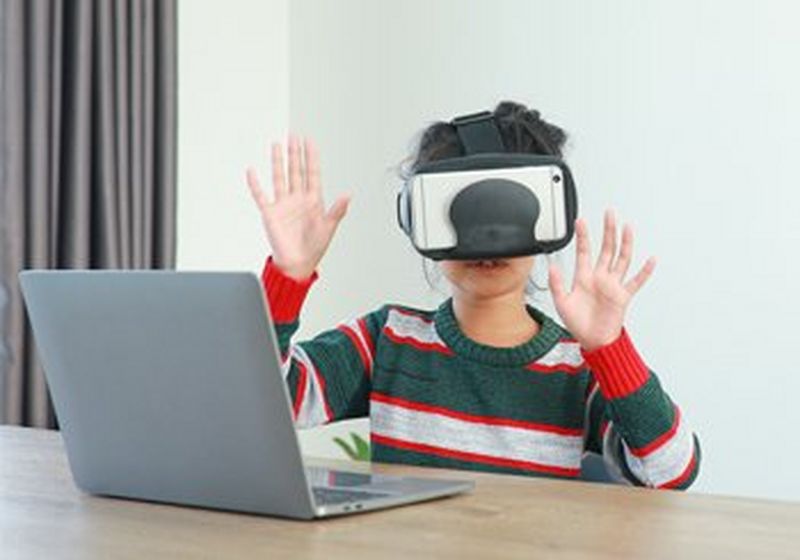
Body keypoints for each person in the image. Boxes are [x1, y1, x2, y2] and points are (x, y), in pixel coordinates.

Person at [245, 101, 700, 489]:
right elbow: (265, 402)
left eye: (508, 206)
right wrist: (289, 277)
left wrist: (609, 348)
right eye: (460, 208)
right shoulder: (386, 341)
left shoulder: (576, 371)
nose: (487, 232)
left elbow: (671, 471)